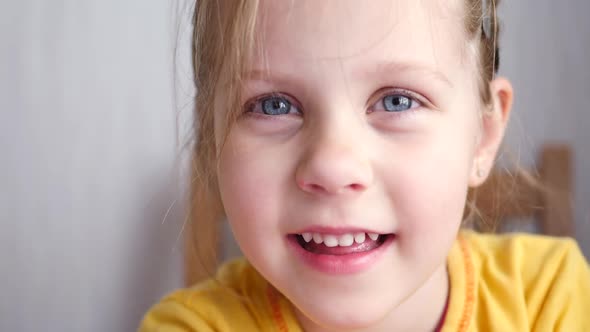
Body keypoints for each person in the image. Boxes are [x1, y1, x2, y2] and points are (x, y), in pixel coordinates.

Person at [140, 0, 590, 330]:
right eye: (274, 105)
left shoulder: (551, 300)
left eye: (397, 100)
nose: (333, 167)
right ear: (210, 136)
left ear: (484, 135)